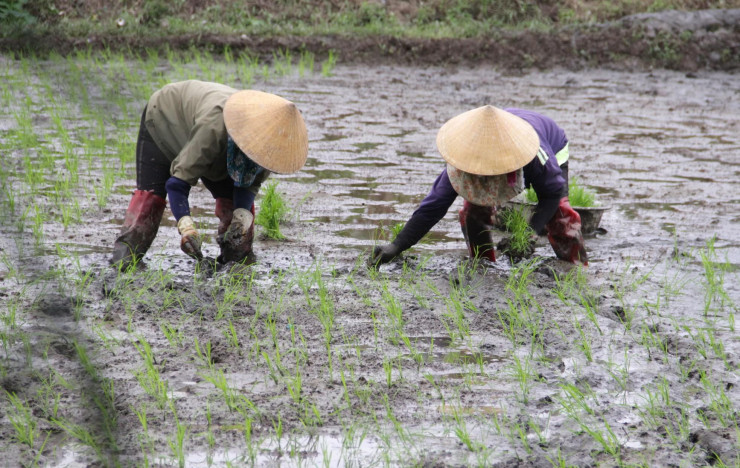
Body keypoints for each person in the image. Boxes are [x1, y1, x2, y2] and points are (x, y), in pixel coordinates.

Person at [110, 80, 308, 269]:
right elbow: (178, 183)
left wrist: (242, 216)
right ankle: (123, 264)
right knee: (150, 200)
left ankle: (234, 268)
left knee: (238, 221)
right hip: (165, 121)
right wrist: (186, 227)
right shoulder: (213, 127)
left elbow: (248, 184)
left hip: (221, 142)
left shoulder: (267, 147)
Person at [371, 105, 587, 266]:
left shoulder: (536, 156)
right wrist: (397, 246)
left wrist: (530, 233)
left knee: (560, 214)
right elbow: (433, 207)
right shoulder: (462, 162)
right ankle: (484, 265)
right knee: (473, 210)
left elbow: (551, 194)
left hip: (550, 144)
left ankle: (574, 266)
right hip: (493, 140)